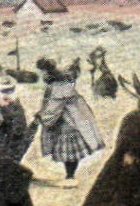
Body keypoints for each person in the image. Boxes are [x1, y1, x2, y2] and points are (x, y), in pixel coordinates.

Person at [36, 58, 104, 186]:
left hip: (68, 123)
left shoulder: (58, 88)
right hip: (73, 121)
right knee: (70, 153)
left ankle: (70, 176)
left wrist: (42, 117)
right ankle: (70, 175)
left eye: (43, 72)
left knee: (69, 152)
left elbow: (53, 108)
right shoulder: (64, 85)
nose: (42, 75)